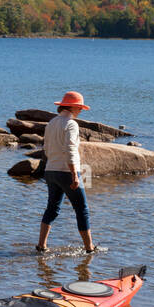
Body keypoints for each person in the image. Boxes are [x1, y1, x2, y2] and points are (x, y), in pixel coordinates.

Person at [37, 91, 96, 253]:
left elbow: (46, 148)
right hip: (66, 171)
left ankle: (41, 245)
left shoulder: (52, 123)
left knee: (52, 208)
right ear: (73, 107)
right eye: (80, 108)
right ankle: (89, 247)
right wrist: (73, 175)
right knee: (82, 209)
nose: (81, 111)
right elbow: (70, 149)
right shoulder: (71, 124)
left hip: (50, 170)